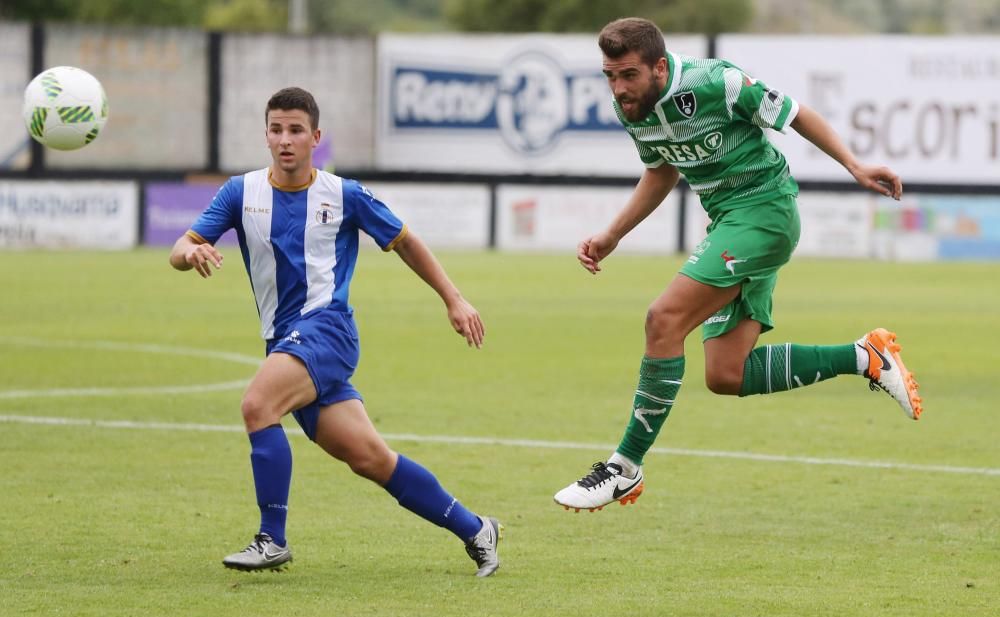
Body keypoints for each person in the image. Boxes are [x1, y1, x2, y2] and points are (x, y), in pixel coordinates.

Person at [553, 18, 922, 512]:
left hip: (765, 213)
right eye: (609, 76)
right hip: (728, 223)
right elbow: (662, 169)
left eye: (628, 75)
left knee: (663, 320)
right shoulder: (633, 109)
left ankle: (624, 467)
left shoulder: (717, 82)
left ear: (659, 67)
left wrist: (854, 164)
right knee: (727, 374)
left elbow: (796, 114)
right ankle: (864, 357)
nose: (618, 89)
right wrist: (613, 233)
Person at [169, 87, 501, 576]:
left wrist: (453, 298)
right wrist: (189, 253)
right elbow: (180, 246)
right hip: (286, 342)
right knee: (371, 459)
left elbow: (406, 242)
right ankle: (477, 529)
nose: (285, 140)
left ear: (315, 138)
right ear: (266, 135)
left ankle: (271, 539)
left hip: (328, 332)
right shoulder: (240, 193)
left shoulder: (343, 194)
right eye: (277, 130)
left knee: (257, 405)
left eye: (296, 130)